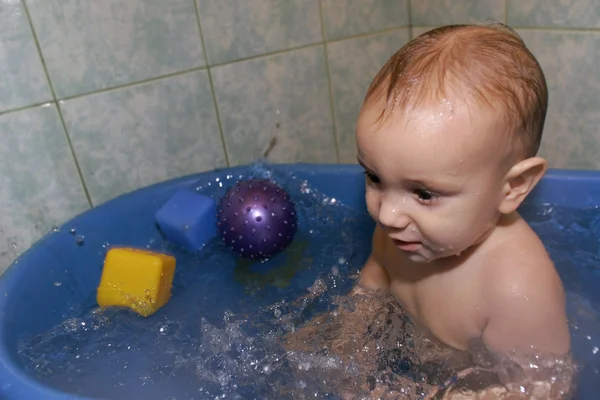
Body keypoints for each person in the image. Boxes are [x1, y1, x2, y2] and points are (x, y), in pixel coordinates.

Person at [285, 23, 575, 399]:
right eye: (374, 177)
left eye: (423, 193)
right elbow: (373, 286)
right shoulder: (404, 230)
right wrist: (338, 342)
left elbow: (546, 389)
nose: (387, 213)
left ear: (513, 187)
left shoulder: (514, 289)